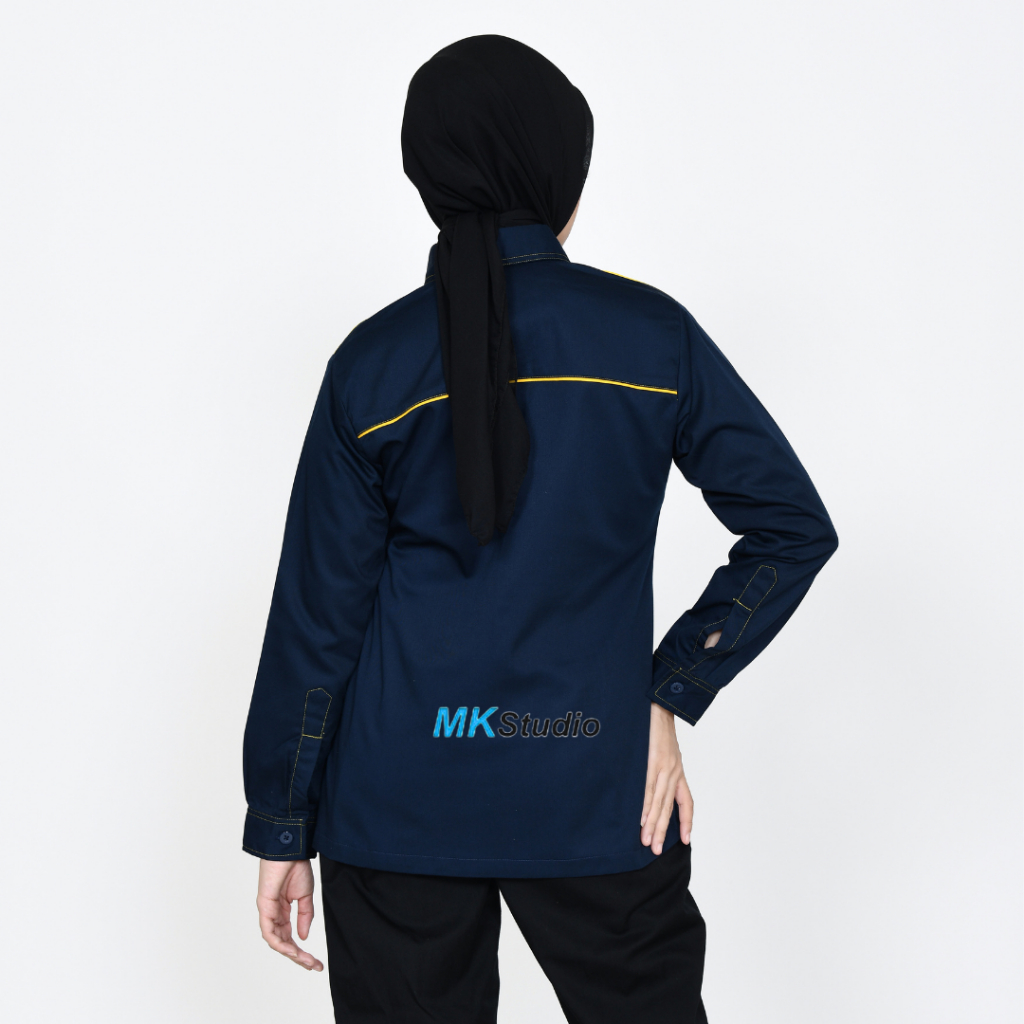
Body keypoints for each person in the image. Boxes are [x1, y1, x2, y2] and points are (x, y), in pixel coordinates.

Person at [242, 34, 837, 1024]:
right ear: (561, 171)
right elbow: (790, 527)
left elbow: (319, 620)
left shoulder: (372, 365)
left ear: (429, 175)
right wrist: (669, 690)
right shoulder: (652, 338)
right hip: (595, 777)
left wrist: (279, 820)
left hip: (398, 799)